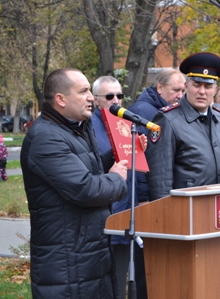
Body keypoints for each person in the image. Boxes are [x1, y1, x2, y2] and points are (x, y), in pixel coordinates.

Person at [20, 68, 129, 299]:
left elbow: (85, 166)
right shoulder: (45, 137)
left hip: (89, 254)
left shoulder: (75, 128)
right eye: (84, 91)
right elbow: (85, 188)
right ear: (60, 99)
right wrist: (118, 179)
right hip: (67, 262)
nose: (91, 97)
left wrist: (119, 155)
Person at [145, 52, 220, 201]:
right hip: (186, 212)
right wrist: (166, 219)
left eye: (208, 86)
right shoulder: (168, 120)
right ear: (186, 86)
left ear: (215, 90)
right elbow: (160, 180)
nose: (202, 91)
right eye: (197, 85)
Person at [127, 68, 186, 299]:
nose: (180, 94)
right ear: (160, 88)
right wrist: (143, 197)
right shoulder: (143, 112)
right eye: (175, 90)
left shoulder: (168, 110)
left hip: (161, 194)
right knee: (148, 264)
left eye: (183, 90)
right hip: (148, 199)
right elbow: (139, 159)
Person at [91, 76, 147, 299]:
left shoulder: (127, 124)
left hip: (127, 210)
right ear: (96, 100)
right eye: (109, 96)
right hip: (102, 213)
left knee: (122, 276)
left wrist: (140, 151)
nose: (116, 100)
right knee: (103, 280)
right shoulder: (89, 127)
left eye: (120, 96)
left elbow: (136, 171)